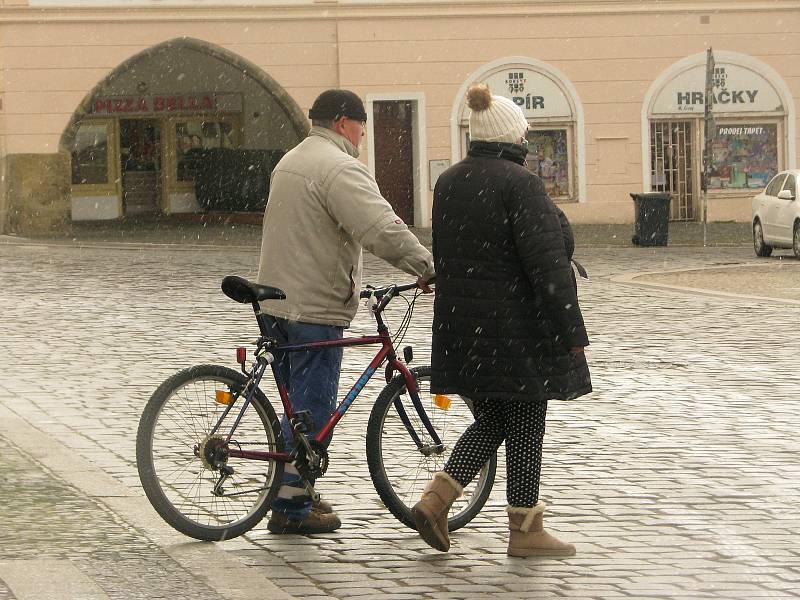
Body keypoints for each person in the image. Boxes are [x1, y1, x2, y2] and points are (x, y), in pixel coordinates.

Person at [412, 83, 591, 557]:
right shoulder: (521, 184)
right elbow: (548, 266)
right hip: (519, 330)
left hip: (465, 328)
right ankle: (524, 531)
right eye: (527, 135)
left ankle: (439, 500)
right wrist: (571, 333)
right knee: (527, 417)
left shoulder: (449, 181)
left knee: (494, 417)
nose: (529, 142)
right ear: (514, 137)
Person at [256, 89, 435, 535]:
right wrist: (428, 267)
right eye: (360, 127)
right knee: (312, 412)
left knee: (295, 409)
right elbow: (382, 229)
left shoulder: (291, 160)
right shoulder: (339, 167)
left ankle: (294, 492)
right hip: (314, 304)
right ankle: (291, 510)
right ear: (342, 122)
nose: (361, 136)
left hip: (277, 302)